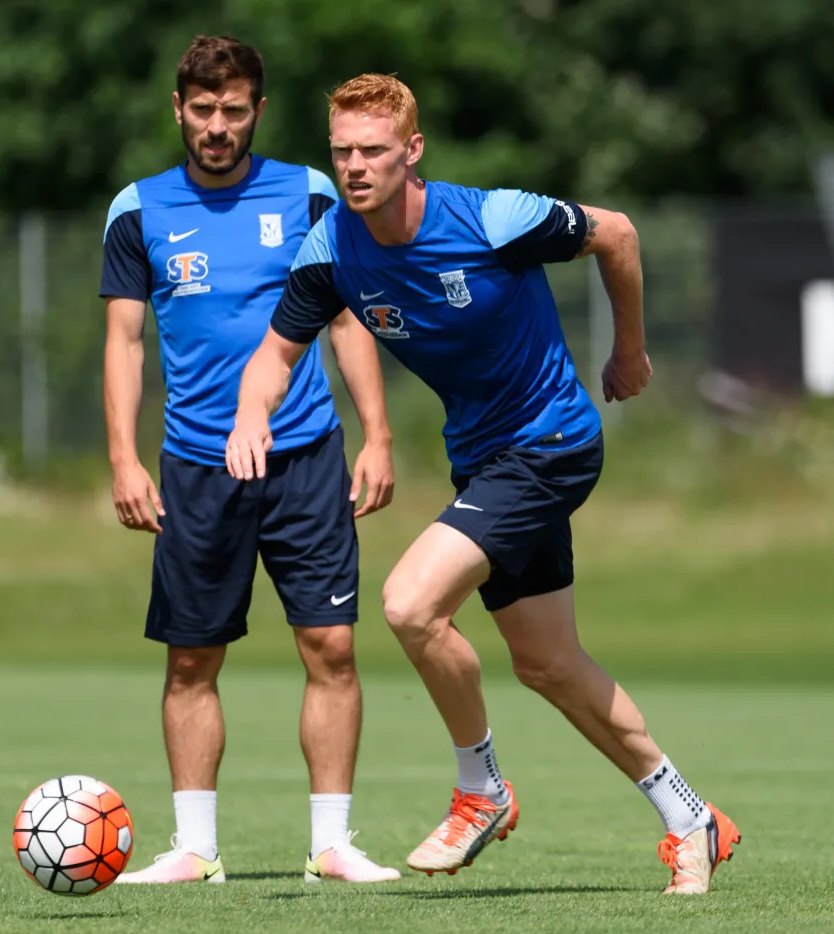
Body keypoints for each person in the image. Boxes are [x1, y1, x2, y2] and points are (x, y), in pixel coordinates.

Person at [226, 73, 742, 895]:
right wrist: (251, 414)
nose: (355, 167)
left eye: (374, 151)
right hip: (483, 460)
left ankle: (482, 789)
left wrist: (629, 351)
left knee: (409, 604)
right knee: (548, 665)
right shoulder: (331, 250)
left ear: (413, 152)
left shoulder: (491, 219)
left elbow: (618, 232)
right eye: (342, 152)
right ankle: (692, 818)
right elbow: (274, 356)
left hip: (552, 444)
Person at [98, 38, 401, 885]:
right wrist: (123, 460)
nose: (217, 127)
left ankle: (331, 846)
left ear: (258, 111)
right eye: (203, 110)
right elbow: (124, 342)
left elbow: (346, 322)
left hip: (306, 455)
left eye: (234, 111)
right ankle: (195, 848)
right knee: (191, 659)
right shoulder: (138, 210)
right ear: (178, 109)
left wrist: (377, 435)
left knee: (331, 646)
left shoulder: (309, 195)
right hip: (197, 464)